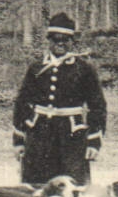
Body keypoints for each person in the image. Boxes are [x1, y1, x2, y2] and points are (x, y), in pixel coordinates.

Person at [12, 12, 107, 186]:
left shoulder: (84, 69)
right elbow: (23, 103)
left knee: (73, 187)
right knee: (35, 188)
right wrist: (19, 139)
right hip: (38, 135)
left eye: (66, 39)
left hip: (71, 137)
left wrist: (94, 142)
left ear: (72, 42)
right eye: (56, 39)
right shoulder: (36, 67)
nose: (60, 43)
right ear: (49, 41)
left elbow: (97, 106)